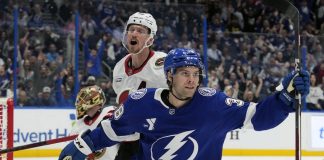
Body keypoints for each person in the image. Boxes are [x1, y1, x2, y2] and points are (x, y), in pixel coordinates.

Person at [59, 48, 309, 160]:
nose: (192, 80)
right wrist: (83, 144)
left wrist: (284, 98)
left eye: (195, 74)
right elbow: (112, 130)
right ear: (169, 75)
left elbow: (260, 118)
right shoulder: (141, 103)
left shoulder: (215, 104)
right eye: (184, 73)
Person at [112, 12, 168, 159]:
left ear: (150, 38)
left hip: (161, 139)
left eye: (140, 31)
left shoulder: (164, 64)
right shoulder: (119, 68)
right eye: (131, 29)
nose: (134, 34)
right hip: (131, 143)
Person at [69, 85, 119, 159]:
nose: (80, 103)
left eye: (85, 99)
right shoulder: (79, 125)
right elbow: (72, 150)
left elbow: (112, 124)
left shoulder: (109, 112)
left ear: (94, 101)